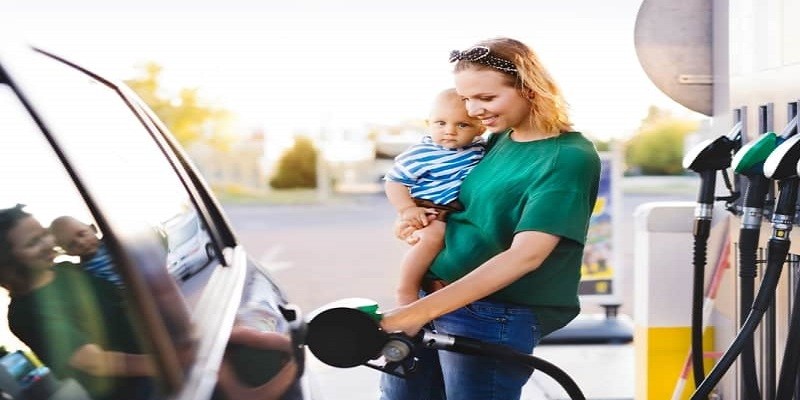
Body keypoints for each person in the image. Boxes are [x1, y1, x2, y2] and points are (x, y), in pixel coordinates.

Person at [378, 37, 601, 400]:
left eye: (486, 98)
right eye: (466, 98)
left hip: (490, 315)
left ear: (530, 89)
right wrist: (414, 217)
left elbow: (526, 255)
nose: (473, 110)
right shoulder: (499, 139)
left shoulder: (568, 158)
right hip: (431, 298)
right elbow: (468, 206)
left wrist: (411, 315)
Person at [0, 205, 154, 400]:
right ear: (8, 261)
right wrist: (161, 363)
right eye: (33, 243)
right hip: (139, 390)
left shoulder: (68, 270)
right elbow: (95, 362)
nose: (48, 244)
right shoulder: (25, 314)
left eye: (44, 234)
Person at [383, 88, 486, 306]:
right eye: (440, 123)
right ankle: (406, 289)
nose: (450, 131)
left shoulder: (479, 149)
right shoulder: (422, 153)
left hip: (455, 212)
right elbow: (394, 181)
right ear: (428, 123)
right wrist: (407, 210)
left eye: (462, 124)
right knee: (433, 237)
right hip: (430, 211)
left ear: (480, 128)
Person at [49, 215, 124, 287]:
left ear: (93, 228)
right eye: (72, 244)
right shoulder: (80, 274)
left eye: (82, 234)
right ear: (68, 252)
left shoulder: (117, 244)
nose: (81, 243)